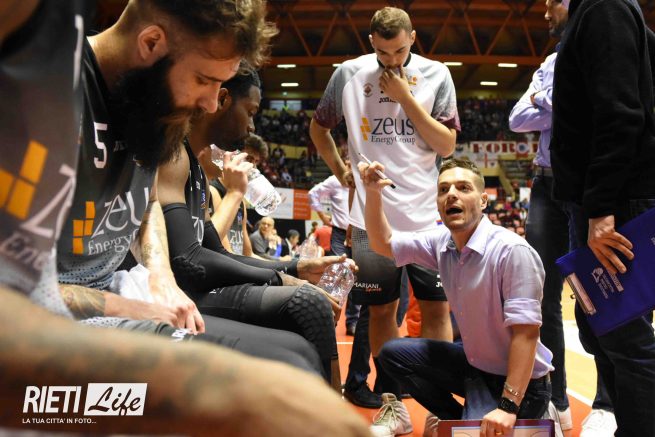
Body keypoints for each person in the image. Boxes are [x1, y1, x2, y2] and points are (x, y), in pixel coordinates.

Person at [0, 1, 370, 435]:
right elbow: (21, 305)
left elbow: (146, 202)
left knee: (297, 358)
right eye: (204, 80)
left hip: (119, 295)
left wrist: (160, 275)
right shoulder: (51, 91)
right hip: (54, 345)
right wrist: (131, 308)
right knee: (273, 389)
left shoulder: (147, 105)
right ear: (151, 43)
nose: (211, 103)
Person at [310, 6, 458, 411]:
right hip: (369, 220)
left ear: (412, 38)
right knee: (381, 312)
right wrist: (341, 171)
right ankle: (392, 402)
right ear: (371, 42)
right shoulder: (348, 73)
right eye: (382, 53)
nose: (391, 61)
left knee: (437, 309)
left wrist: (405, 97)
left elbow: (446, 145)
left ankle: (437, 403)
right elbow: (318, 128)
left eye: (399, 51)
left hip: (428, 219)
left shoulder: (436, 74)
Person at [361, 158, 553, 437]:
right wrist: (372, 192)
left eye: (463, 188)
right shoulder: (443, 242)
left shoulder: (512, 251)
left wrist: (508, 406)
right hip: (475, 367)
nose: (451, 194)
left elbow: (527, 334)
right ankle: (456, 421)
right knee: (393, 354)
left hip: (522, 384)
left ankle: (523, 414)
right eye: (443, 189)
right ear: (438, 203)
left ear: (484, 201)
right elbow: (383, 243)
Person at [551, 0, 655, 435]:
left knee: (626, 340)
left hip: (614, 205)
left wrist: (600, 207)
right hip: (607, 200)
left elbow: (620, 115)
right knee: (602, 332)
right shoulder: (607, 11)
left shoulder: (605, 7)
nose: (545, 9)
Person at [508, 1, 583, 435]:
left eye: (551, 1)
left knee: (595, 293)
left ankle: (608, 402)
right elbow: (517, 119)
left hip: (584, 183)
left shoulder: (599, 47)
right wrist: (550, 100)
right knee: (541, 296)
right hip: (544, 184)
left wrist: (542, 98)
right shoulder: (550, 60)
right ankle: (557, 398)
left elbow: (581, 110)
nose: (544, 12)